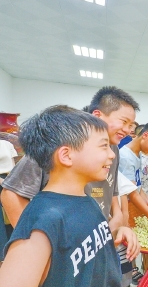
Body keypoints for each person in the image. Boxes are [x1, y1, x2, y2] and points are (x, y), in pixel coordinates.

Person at [0, 105, 140, 287]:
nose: (112, 155)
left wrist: (116, 234)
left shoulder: (86, 200)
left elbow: (79, 245)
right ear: (66, 155)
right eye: (103, 146)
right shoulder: (44, 219)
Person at [1, 86, 140, 234]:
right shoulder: (59, 143)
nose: (127, 130)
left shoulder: (114, 149)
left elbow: (111, 187)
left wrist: (117, 215)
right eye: (124, 122)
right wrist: (34, 241)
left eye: (130, 125)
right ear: (98, 116)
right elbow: (11, 194)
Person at [0, 139, 17, 260]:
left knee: (12, 216)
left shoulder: (7, 143)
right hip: (4, 181)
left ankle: (12, 252)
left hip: (10, 180)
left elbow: (15, 165)